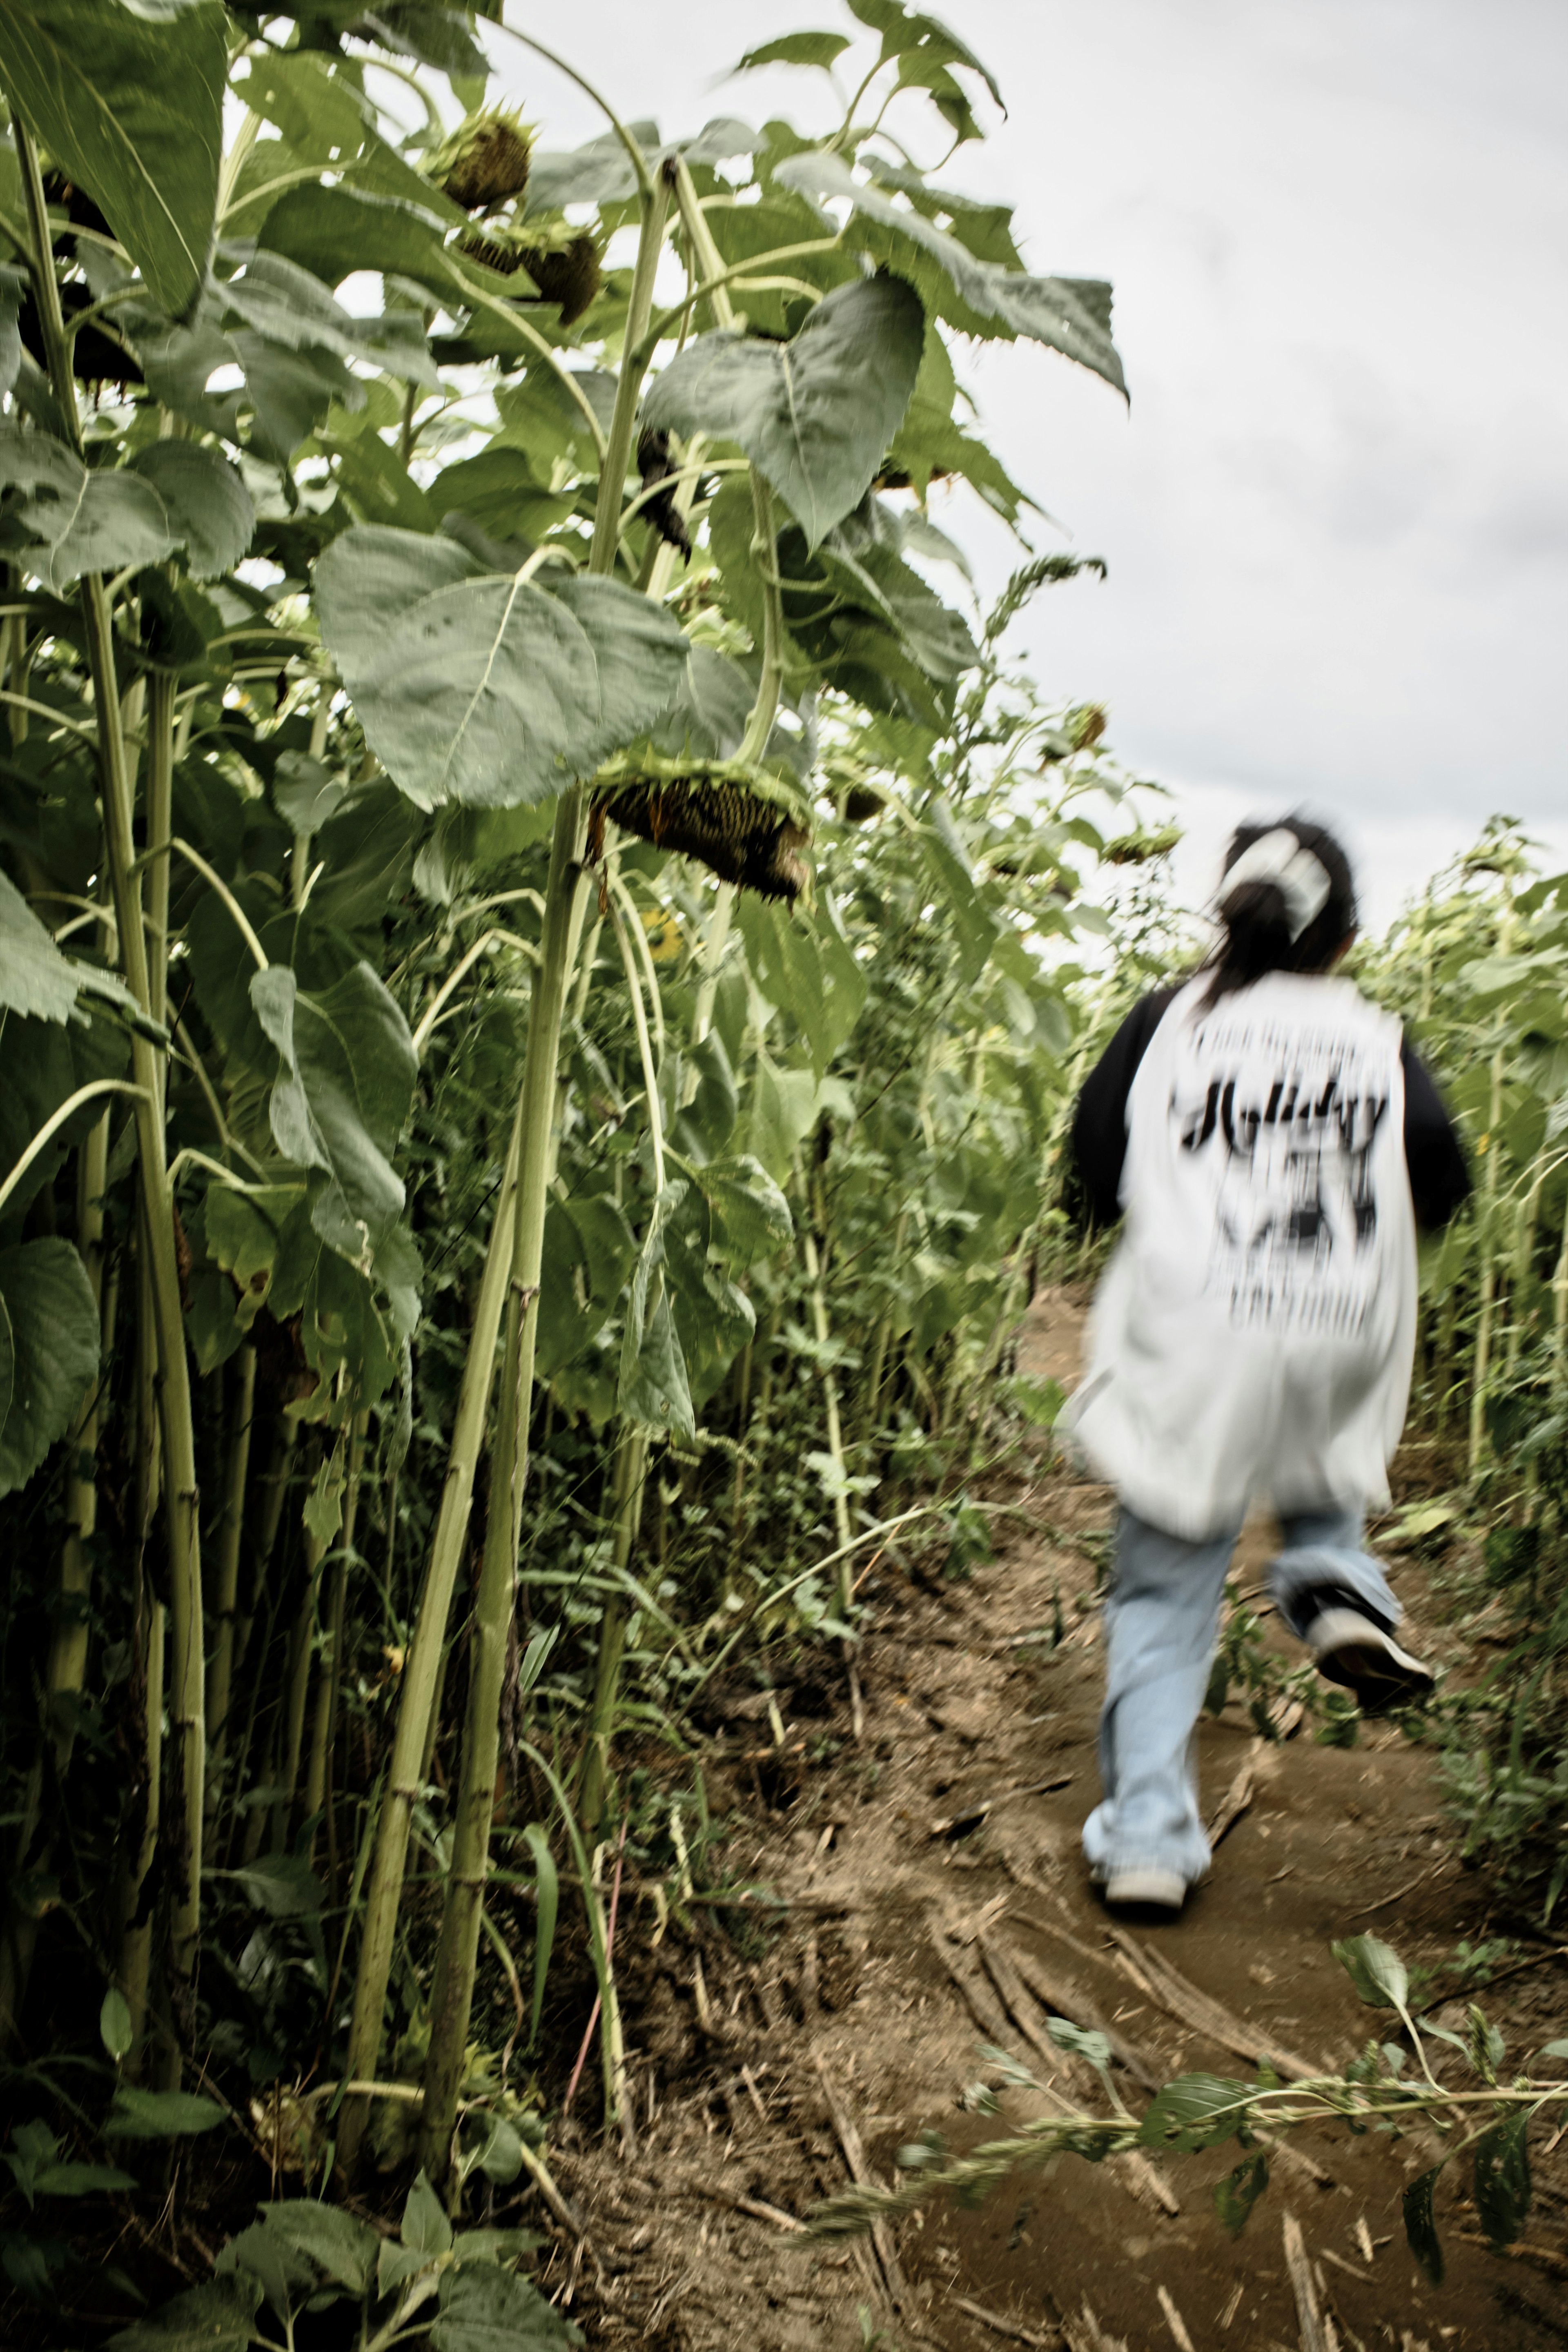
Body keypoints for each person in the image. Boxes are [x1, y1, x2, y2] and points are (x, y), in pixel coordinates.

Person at [1060, 818, 1470, 1916]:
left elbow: (1094, 1164)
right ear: (1343, 942)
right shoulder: (1372, 1032)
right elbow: (1440, 1169)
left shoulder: (1171, 1020)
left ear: (1228, 919)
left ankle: (1147, 1838)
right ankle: (1333, 1578)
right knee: (1317, 1466)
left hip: (1200, 1322)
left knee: (1166, 1587)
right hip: (1336, 1314)